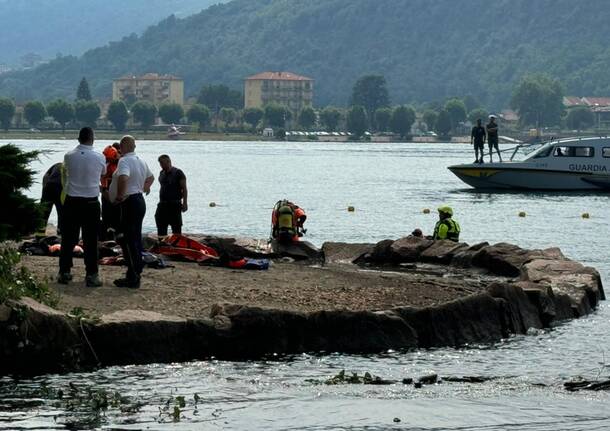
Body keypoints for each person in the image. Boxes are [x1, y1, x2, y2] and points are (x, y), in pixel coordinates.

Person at [57, 127, 106, 287]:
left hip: (72, 201)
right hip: (91, 202)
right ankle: (91, 274)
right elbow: (103, 173)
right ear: (92, 138)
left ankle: (64, 272)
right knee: (91, 240)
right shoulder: (100, 156)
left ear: (78, 139)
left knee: (68, 238)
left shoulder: (69, 156)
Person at [113, 135, 154, 288]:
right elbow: (151, 177)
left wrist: (119, 195)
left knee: (127, 239)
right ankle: (134, 271)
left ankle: (134, 274)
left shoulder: (124, 161)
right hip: (139, 200)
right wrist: (144, 188)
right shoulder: (141, 161)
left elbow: (123, 178)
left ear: (123, 147)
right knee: (135, 237)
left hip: (129, 201)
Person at [155, 154, 187, 236]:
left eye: (163, 163)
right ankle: (162, 244)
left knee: (176, 227)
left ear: (169, 162)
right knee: (160, 223)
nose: (161, 165)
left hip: (174, 204)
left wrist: (185, 203)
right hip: (163, 204)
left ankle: (177, 245)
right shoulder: (161, 173)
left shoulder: (178, 173)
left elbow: (184, 189)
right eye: (160, 163)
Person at [100, 144, 121, 239]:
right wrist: (105, 191)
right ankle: (108, 235)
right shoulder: (106, 165)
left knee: (117, 217)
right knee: (107, 216)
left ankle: (116, 234)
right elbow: (102, 179)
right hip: (107, 192)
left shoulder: (122, 163)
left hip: (117, 192)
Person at [40, 162, 64, 234]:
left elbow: (45, 176)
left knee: (44, 212)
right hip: (58, 186)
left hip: (48, 185)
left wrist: (45, 188)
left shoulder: (58, 165)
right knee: (62, 212)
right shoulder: (73, 168)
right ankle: (60, 234)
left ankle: (40, 234)